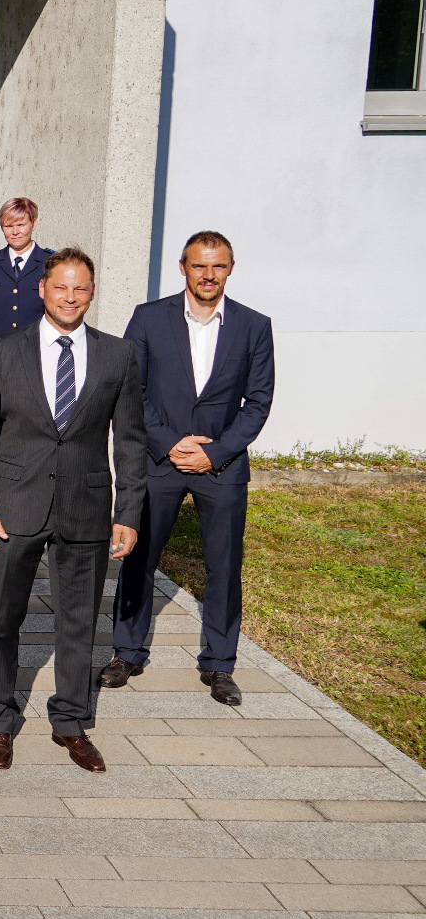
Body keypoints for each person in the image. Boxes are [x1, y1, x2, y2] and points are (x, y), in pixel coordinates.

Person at [0, 247, 145, 774]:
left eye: (80, 288)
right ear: (42, 290)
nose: (70, 297)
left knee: (78, 621)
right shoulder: (3, 350)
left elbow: (130, 442)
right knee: (4, 617)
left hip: (85, 507)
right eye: (60, 287)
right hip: (14, 505)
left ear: (92, 293)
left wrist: (127, 512)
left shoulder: (118, 355)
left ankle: (70, 719)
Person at [104, 231, 275, 706]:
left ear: (230, 269)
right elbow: (129, 387)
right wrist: (169, 441)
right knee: (139, 557)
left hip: (221, 466)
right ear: (183, 267)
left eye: (217, 266)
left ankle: (220, 665)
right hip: (160, 459)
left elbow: (258, 402)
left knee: (223, 568)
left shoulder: (254, 326)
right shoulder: (148, 318)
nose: (208, 275)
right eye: (199, 266)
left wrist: (214, 452)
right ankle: (126, 652)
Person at [0, 196, 53, 382]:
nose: (15, 232)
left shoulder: (51, 263)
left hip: (37, 356)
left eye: (21, 225)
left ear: (34, 223)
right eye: (8, 226)